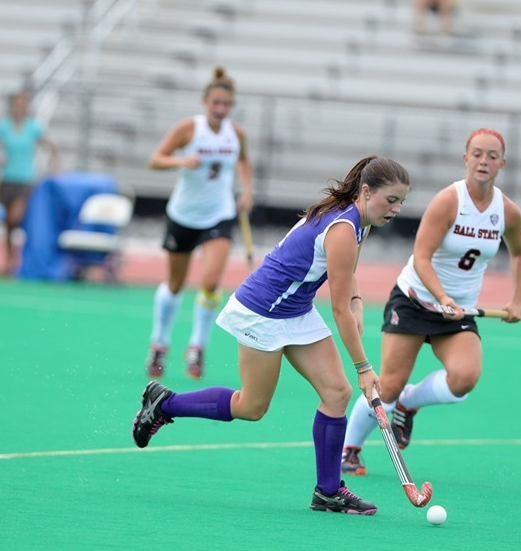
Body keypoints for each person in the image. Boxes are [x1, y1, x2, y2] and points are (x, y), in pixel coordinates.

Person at [131, 156, 410, 514]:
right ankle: (163, 403)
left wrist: (357, 301)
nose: (397, 209)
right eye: (392, 200)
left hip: (295, 309)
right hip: (262, 311)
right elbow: (338, 311)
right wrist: (363, 366)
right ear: (367, 191)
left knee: (336, 394)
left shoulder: (361, 220)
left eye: (402, 201)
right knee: (252, 407)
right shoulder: (342, 227)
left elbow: (347, 273)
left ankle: (328, 491)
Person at [341, 128, 521, 475]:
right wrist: (441, 296)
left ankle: (409, 406)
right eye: (477, 153)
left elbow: (520, 254)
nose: (483, 161)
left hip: (457, 313)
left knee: (464, 378)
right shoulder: (448, 201)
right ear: (465, 158)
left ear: (502, 162)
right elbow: (422, 257)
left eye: (491, 155)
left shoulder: (507, 212)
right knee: (390, 384)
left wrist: (517, 300)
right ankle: (350, 449)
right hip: (415, 302)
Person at [145, 65, 254, 380]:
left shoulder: (238, 134)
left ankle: (197, 346)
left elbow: (244, 160)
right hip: (182, 215)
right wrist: (180, 160)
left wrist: (247, 190)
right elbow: (155, 159)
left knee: (209, 282)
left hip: (218, 215)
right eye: (216, 103)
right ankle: (160, 342)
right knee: (176, 284)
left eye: (226, 105)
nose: (221, 110)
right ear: (205, 102)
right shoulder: (188, 129)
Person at [0, 91, 59, 274]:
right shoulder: (3, 126)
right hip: (7, 179)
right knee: (8, 224)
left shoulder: (32, 128)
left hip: (26, 180)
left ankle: (21, 257)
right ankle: (9, 259)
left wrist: (56, 166)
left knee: (16, 217)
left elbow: (51, 146)